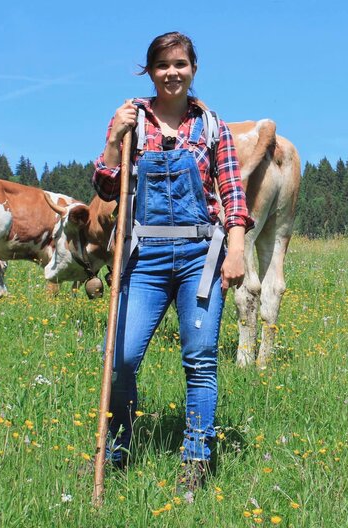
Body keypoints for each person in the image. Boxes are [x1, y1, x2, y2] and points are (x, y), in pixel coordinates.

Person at [91, 31, 254, 491]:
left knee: (200, 358)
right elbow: (106, 189)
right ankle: (117, 451)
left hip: (201, 255)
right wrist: (113, 139)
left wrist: (236, 250)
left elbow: (233, 195)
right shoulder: (132, 121)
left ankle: (196, 459)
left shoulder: (212, 126)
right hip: (145, 256)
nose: (172, 73)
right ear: (151, 71)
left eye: (180, 64)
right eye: (162, 65)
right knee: (121, 358)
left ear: (193, 69)